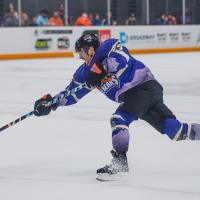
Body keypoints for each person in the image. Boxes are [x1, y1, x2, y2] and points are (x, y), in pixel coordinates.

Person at [34, 33, 200, 180]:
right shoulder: (84, 73)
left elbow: (123, 62)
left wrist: (101, 68)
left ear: (90, 50)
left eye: (81, 53)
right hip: (138, 98)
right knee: (175, 131)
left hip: (143, 86)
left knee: (119, 119)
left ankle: (120, 163)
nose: (80, 57)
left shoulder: (108, 47)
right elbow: (71, 94)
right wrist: (51, 102)